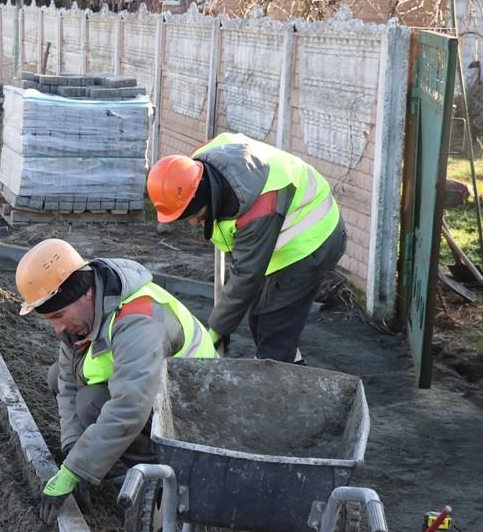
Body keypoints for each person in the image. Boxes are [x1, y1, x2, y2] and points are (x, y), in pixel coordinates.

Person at [15, 239, 216, 524]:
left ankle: (160, 485)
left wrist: (74, 471)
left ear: (84, 294)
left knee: (91, 404)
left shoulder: (139, 320)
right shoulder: (86, 314)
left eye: (58, 315)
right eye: (50, 319)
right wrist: (75, 451)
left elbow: (130, 406)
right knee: (60, 379)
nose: (57, 328)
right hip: (154, 394)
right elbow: (66, 382)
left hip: (192, 418)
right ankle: (105, 465)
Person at [147, 132, 347, 364]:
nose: (192, 223)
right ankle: (292, 366)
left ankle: (277, 390)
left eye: (193, 215)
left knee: (274, 323)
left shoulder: (256, 206)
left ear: (202, 196)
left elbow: (247, 274)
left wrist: (217, 329)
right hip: (280, 234)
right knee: (260, 318)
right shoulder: (196, 168)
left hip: (314, 238)